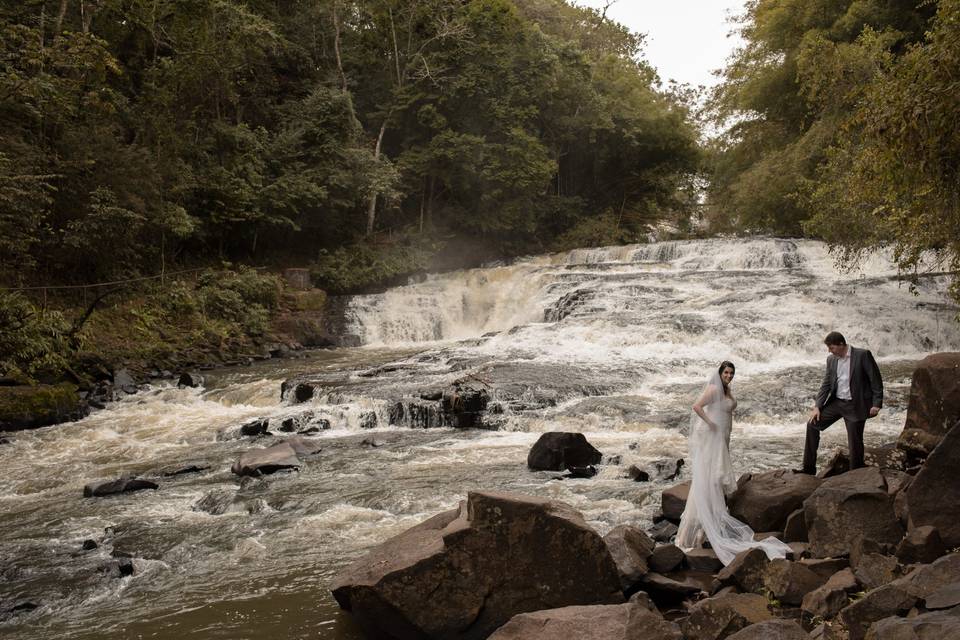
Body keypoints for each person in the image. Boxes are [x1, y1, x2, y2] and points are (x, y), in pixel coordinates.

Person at [676, 361, 791, 565]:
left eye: (731, 373)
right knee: (710, 480)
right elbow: (696, 406)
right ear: (719, 373)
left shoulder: (726, 389)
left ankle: (703, 531)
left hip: (723, 438)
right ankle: (694, 533)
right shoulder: (713, 388)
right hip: (715, 439)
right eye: (726, 372)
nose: (729, 376)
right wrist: (711, 424)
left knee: (714, 480)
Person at [799, 331, 883, 475]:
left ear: (841, 344)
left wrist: (876, 403)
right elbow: (826, 384)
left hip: (855, 405)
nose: (829, 351)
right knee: (812, 425)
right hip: (837, 403)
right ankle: (808, 469)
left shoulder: (862, 355)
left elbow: (875, 380)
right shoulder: (831, 360)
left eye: (831, 348)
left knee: (855, 443)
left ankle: (854, 474)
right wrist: (817, 406)